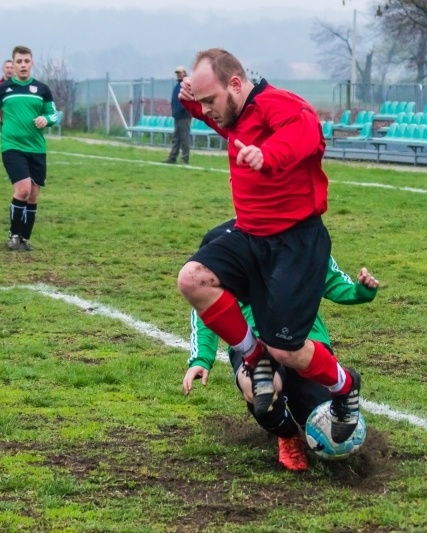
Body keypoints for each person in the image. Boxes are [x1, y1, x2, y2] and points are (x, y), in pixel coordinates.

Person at [176, 48, 363, 445]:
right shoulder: (236, 114)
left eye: (211, 101)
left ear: (236, 84)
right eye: (203, 102)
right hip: (251, 236)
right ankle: (251, 354)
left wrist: (269, 155)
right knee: (193, 279)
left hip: (296, 242)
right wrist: (189, 100)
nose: (208, 110)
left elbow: (307, 132)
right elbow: (218, 116)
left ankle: (345, 387)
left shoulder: (279, 104)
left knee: (287, 350)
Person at [182, 219, 379, 471]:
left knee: (320, 415)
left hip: (302, 339)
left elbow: (329, 280)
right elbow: (204, 307)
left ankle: (337, 396)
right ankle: (288, 437)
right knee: (259, 393)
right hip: (251, 343)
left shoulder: (297, 234)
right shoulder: (222, 241)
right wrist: (201, 358)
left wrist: (360, 291)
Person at [0, 45, 60, 252]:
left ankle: (24, 238)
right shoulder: (3, 89)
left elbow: (55, 115)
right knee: (22, 190)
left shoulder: (42, 89)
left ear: (32, 63)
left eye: (26, 61)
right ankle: (13, 235)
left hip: (37, 149)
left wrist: (46, 119)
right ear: (12, 65)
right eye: (19, 62)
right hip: (12, 147)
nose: (23, 65)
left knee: (33, 194)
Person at [165, 65, 192, 164]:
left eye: (180, 73)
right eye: (177, 73)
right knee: (176, 138)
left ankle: (185, 158)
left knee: (184, 137)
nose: (178, 75)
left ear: (184, 73)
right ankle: (172, 157)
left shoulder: (187, 84)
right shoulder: (177, 85)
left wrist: (182, 110)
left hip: (184, 115)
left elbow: (188, 99)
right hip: (177, 115)